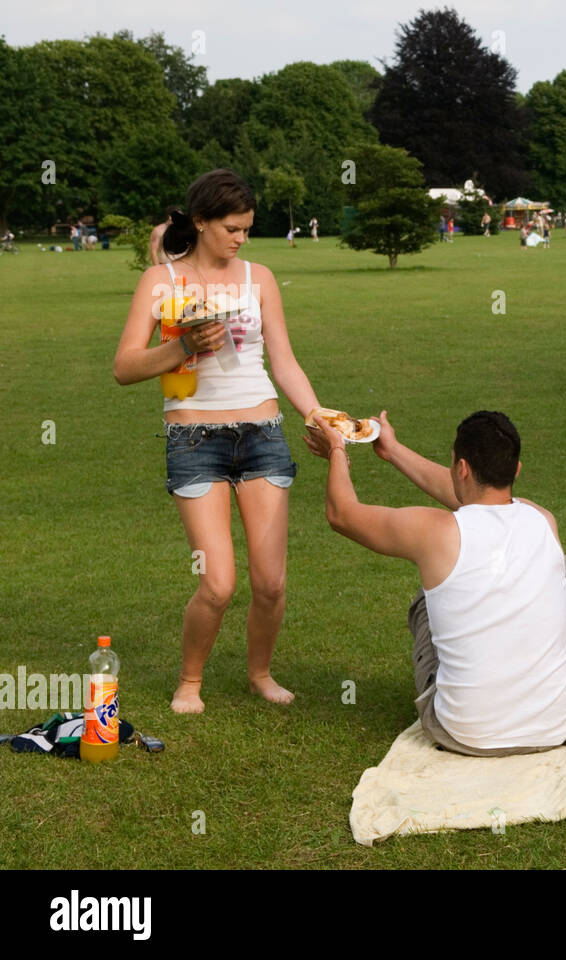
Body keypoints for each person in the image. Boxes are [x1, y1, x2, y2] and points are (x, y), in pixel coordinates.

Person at [112, 169, 325, 714]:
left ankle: (259, 673)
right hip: (193, 437)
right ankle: (190, 681)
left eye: (247, 229)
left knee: (271, 583)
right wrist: (182, 346)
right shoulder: (160, 282)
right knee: (218, 584)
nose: (241, 239)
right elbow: (124, 367)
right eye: (231, 228)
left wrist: (319, 413)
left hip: (262, 433)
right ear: (201, 221)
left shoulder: (260, 278)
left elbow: (284, 361)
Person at [303, 409, 566, 756]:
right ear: (515, 470)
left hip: (461, 733)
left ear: (461, 468)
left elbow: (342, 514)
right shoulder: (542, 519)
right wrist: (394, 451)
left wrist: (337, 450)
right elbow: (475, 499)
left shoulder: (436, 534)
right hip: (558, 725)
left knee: (433, 595)